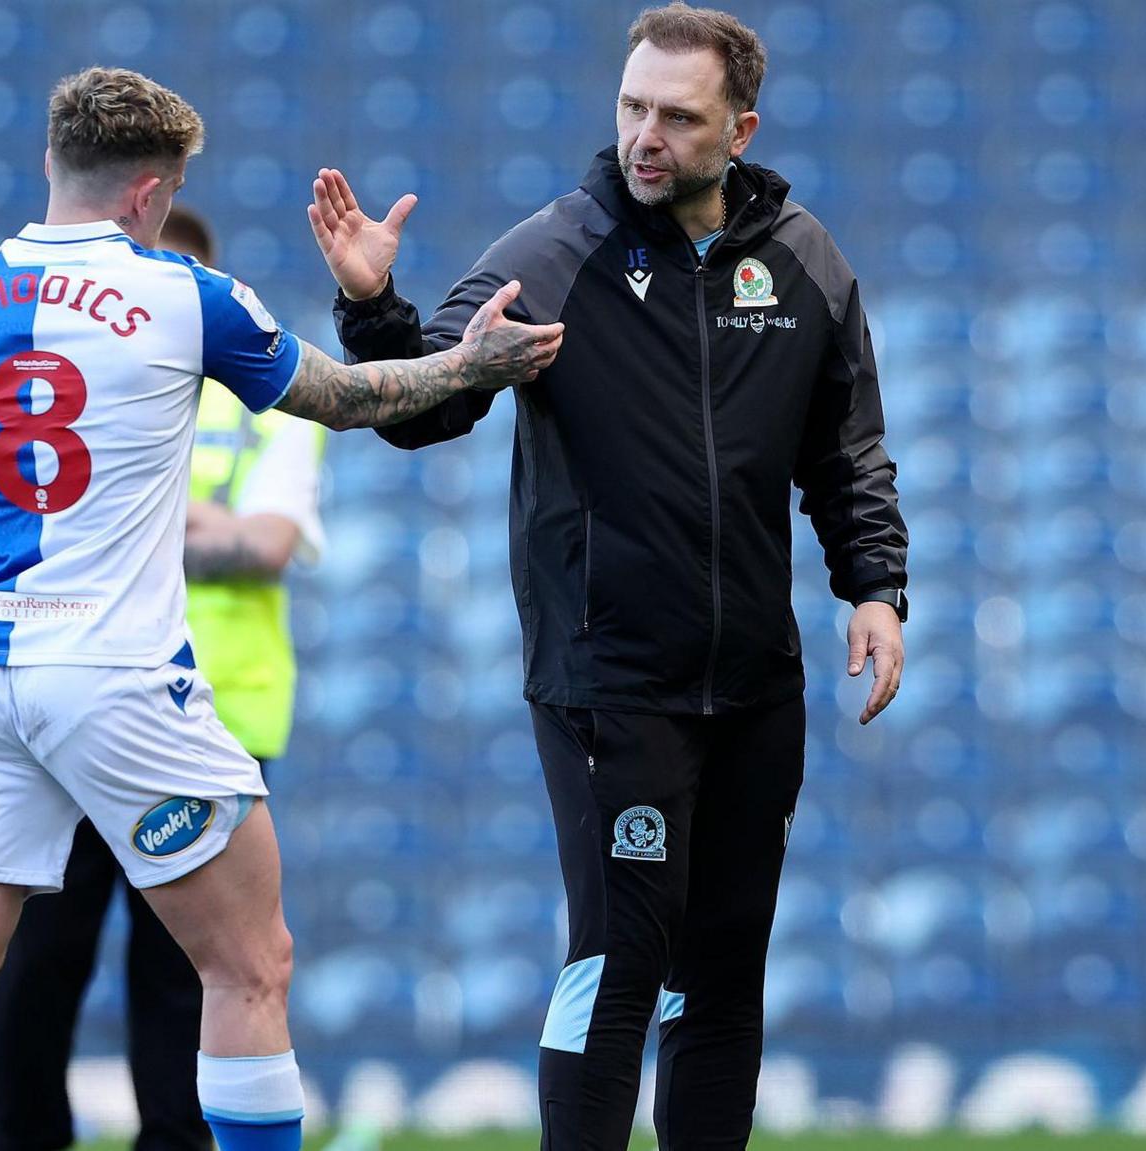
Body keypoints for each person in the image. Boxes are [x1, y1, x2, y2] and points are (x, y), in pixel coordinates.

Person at [0, 66, 562, 1151]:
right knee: (249, 963)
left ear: (52, 162)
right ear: (152, 192)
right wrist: (471, 363)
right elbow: (352, 399)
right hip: (117, 676)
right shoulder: (182, 292)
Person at [308, 5, 908, 1149]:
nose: (644, 135)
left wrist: (872, 586)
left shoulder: (803, 260)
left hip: (752, 685)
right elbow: (420, 408)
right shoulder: (553, 250)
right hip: (606, 681)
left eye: (676, 118)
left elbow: (844, 447)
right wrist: (375, 311)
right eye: (632, 106)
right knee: (619, 952)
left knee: (723, 969)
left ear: (739, 130)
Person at [0, 203, 327, 1151]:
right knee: (37, 959)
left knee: (191, 969)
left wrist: (122, 529)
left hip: (212, 719)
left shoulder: (261, 404)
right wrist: (191, 526)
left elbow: (264, 545)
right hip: (70, 704)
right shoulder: (65, 393)